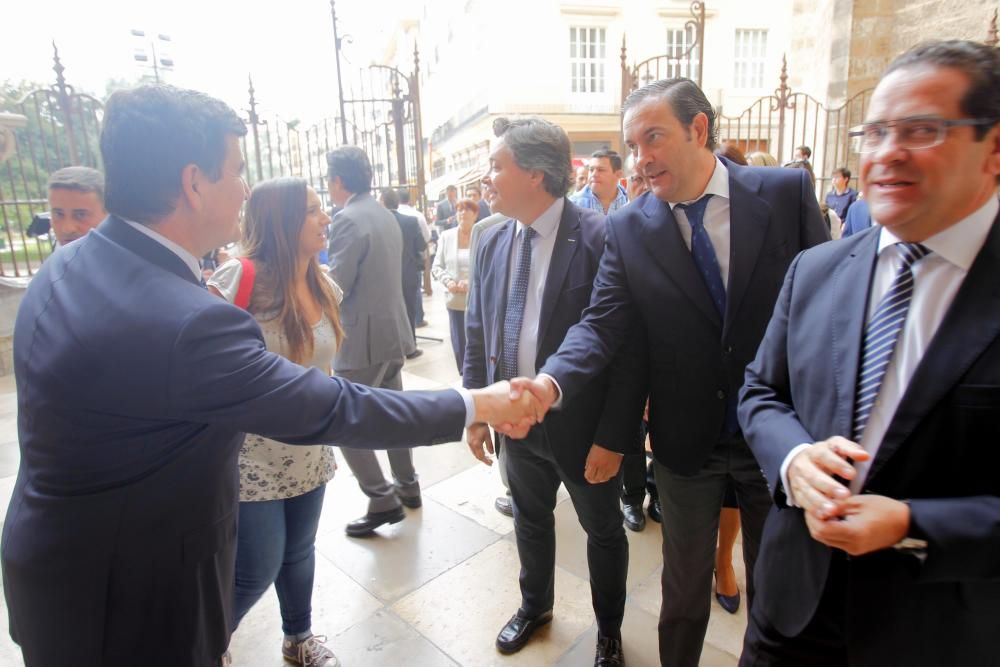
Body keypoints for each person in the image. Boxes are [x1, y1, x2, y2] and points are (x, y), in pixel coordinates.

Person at [3, 84, 536, 667]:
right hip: (134, 601)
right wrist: (478, 404)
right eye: (235, 170)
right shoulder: (186, 321)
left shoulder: (69, 264)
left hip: (54, 574)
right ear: (193, 182)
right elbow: (333, 407)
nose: (244, 190)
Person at [510, 77, 830, 667]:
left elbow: (825, 305)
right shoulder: (632, 228)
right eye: (633, 145)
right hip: (687, 442)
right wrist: (551, 380)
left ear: (699, 130)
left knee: (780, 585)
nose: (641, 159)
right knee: (682, 591)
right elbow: (601, 323)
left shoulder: (785, 194)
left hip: (782, 436)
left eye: (652, 138)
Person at [738, 40, 1000, 667]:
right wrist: (795, 457)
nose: (887, 154)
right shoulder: (816, 269)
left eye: (922, 130)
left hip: (934, 632)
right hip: (791, 608)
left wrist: (912, 522)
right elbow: (760, 392)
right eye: (875, 132)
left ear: (992, 150)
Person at [465, 116, 631, 666]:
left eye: (496, 165)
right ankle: (535, 606)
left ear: (535, 174)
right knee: (529, 520)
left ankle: (609, 630)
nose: (485, 177)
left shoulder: (602, 235)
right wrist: (475, 409)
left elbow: (619, 343)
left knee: (603, 530)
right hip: (514, 425)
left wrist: (614, 437)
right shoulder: (489, 237)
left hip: (583, 429)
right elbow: (477, 329)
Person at [207, 177, 343, 667]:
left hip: (310, 450)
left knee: (299, 552)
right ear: (282, 221)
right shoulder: (236, 280)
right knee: (255, 568)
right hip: (250, 460)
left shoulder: (321, 283)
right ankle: (204, 645)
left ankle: (299, 638)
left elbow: (326, 370)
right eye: (311, 211)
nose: (325, 217)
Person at [325, 146, 426, 537]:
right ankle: (408, 486)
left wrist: (311, 282)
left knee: (342, 419)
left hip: (363, 339)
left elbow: (339, 284)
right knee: (394, 413)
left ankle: (381, 499)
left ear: (338, 181)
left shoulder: (347, 218)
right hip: (392, 331)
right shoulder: (383, 213)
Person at [379, 187, 426, 356]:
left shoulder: (379, 223)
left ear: (383, 202)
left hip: (385, 276)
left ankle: (392, 348)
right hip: (408, 273)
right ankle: (410, 347)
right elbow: (422, 245)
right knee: (409, 311)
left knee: (388, 312)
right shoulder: (411, 221)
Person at [432, 197, 476, 373]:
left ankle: (476, 374)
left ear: (476, 214)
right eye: (459, 209)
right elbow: (436, 266)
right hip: (455, 297)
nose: (462, 213)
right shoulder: (446, 236)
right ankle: (463, 374)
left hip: (476, 297)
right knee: (459, 341)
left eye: (467, 209)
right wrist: (448, 281)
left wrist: (471, 281)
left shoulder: (483, 234)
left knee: (476, 339)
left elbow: (490, 266)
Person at [47, 166, 106, 246]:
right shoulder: (57, 256)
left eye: (81, 215)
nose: (67, 229)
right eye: (58, 214)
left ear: (107, 215)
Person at [397, 189, 433, 316]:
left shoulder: (388, 216)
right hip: (412, 260)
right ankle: (418, 317)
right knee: (415, 289)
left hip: (394, 263)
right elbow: (426, 237)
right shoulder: (417, 215)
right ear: (409, 199)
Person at [571, 149, 628, 214]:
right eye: (591, 170)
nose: (594, 174)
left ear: (618, 174)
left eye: (601, 170)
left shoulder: (631, 202)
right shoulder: (574, 204)